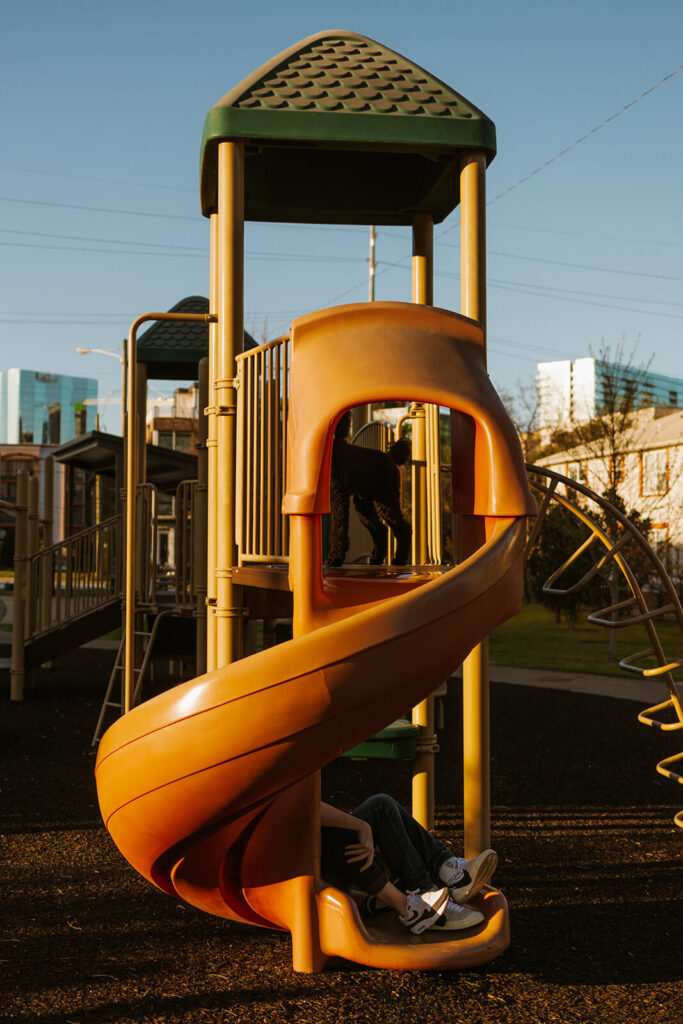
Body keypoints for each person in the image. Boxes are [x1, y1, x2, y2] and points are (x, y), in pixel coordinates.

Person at [320, 794, 497, 935]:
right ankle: (419, 904)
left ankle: (448, 868)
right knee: (333, 834)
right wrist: (360, 825)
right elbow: (306, 808)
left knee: (382, 805)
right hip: (312, 878)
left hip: (324, 861)